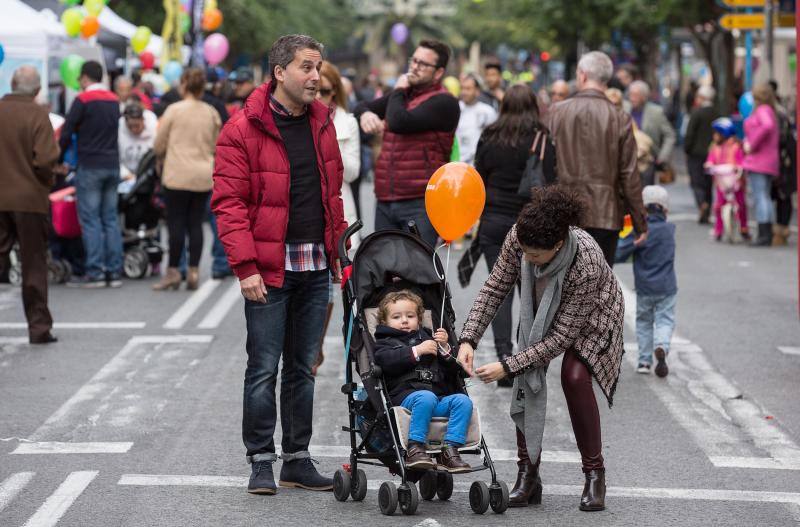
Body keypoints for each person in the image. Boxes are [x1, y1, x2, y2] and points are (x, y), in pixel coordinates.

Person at [212, 34, 347, 495]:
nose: (316, 77)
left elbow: (332, 195)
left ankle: (297, 458)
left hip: (314, 267)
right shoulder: (242, 128)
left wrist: (340, 253)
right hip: (268, 270)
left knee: (303, 367)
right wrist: (245, 266)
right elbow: (229, 204)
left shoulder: (323, 122)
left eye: (319, 66)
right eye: (307, 67)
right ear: (280, 72)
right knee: (264, 367)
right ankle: (260, 461)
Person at [458, 185, 625, 512]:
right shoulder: (518, 238)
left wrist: (507, 366)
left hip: (595, 314)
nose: (528, 261)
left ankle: (595, 474)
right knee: (527, 378)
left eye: (535, 256)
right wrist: (469, 339)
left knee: (574, 377)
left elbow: (563, 336)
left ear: (558, 245)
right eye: (524, 252)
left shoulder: (585, 257)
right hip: (541, 311)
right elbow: (495, 288)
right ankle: (528, 474)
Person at [472, 84, 555, 381]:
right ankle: (523, 361)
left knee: (499, 292)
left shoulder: (490, 135)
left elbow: (477, 177)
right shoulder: (541, 137)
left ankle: (503, 357)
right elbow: (551, 179)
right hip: (530, 224)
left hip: (493, 221)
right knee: (531, 294)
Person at [545, 51, 648, 266]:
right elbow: (629, 174)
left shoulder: (556, 113)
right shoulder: (620, 118)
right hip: (606, 214)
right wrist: (640, 222)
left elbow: (545, 165)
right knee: (599, 285)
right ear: (606, 79)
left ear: (582, 76)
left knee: (564, 284)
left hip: (563, 212)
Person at [354, 40, 460, 248]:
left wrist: (399, 88)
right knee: (383, 270)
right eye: (414, 61)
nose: (414, 66)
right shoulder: (404, 97)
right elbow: (361, 106)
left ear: (438, 73)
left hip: (420, 202)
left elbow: (398, 121)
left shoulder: (444, 102)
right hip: (386, 199)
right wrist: (366, 114)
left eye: (423, 64)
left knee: (415, 273)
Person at [373, 290, 472, 472]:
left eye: (410, 316)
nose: (404, 320)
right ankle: (415, 447)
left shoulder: (429, 339)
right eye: (397, 317)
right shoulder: (384, 343)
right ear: (384, 322)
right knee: (425, 397)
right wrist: (416, 351)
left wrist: (444, 348)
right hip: (404, 399)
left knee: (463, 401)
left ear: (418, 319)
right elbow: (386, 362)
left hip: (436, 398)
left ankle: (450, 449)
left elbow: (451, 371)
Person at [0, 66, 60, 344]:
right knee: (33, 263)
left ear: (11, 84)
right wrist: (45, 182)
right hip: (30, 199)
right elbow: (46, 159)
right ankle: (38, 328)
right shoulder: (38, 114)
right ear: (37, 90)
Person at [312, 60, 361, 375]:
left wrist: (329, 143)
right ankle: (308, 343)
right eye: (317, 91)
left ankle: (314, 344)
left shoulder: (347, 123)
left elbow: (354, 171)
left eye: (327, 92)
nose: (321, 98)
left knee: (331, 286)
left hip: (338, 210)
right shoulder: (299, 118)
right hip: (306, 209)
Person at [153, 68, 221, 290]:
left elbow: (159, 144)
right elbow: (216, 144)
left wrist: (163, 155)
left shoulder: (173, 110)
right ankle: (193, 271)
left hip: (177, 174)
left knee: (176, 223)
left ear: (183, 85)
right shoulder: (211, 112)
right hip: (202, 174)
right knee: (195, 223)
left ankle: (173, 271)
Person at [59, 60, 124, 288]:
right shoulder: (115, 100)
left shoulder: (82, 100)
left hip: (90, 165)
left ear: (85, 78)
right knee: (110, 219)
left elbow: (66, 132)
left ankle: (95, 271)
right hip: (112, 164)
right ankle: (115, 271)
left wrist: (58, 159)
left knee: (91, 220)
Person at [615, 185, 676, 377]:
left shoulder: (639, 231)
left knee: (644, 322)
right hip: (667, 287)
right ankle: (662, 345)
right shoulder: (669, 230)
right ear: (665, 209)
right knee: (665, 320)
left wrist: (634, 244)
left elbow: (617, 254)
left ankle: (643, 361)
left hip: (644, 288)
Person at [742, 83, 780, 247]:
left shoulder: (763, 110)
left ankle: (764, 234)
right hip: (767, 160)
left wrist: (752, 143)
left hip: (759, 160)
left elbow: (766, 126)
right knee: (764, 196)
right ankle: (767, 232)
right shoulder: (770, 111)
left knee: (760, 196)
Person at [625, 80, 676, 187]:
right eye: (630, 94)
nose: (631, 98)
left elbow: (670, 135)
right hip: (627, 161)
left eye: (635, 95)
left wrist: (663, 156)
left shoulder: (656, 112)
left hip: (647, 162)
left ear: (644, 97)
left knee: (646, 196)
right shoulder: (624, 109)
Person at [704, 117, 748, 241]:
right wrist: (709, 165)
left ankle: (744, 227)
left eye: (717, 133)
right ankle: (719, 229)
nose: (714, 136)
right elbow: (710, 160)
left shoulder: (736, 147)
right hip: (721, 182)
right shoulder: (715, 148)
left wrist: (739, 167)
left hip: (736, 181)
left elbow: (741, 161)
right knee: (719, 205)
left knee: (741, 204)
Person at [683, 85, 720, 224]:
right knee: (708, 183)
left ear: (703, 98)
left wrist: (687, 149)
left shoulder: (696, 113)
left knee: (696, 181)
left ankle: (702, 204)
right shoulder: (716, 113)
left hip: (696, 153)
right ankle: (707, 209)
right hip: (712, 153)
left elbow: (690, 133)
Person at [456, 74, 497, 165]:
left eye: (468, 89)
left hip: (478, 166)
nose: (464, 92)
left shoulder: (488, 112)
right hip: (457, 165)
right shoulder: (455, 109)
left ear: (477, 91)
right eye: (462, 88)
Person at [118, 102, 156, 195]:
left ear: (143, 120)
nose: (134, 129)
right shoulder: (119, 132)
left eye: (137, 126)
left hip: (148, 180)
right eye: (130, 126)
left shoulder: (153, 129)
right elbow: (115, 157)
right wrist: (126, 174)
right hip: (126, 178)